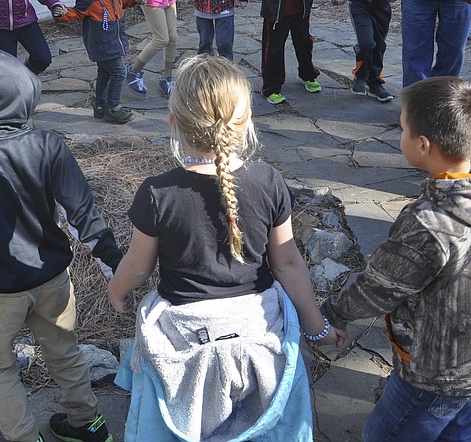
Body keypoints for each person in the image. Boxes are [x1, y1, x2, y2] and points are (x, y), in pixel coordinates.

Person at [109, 55, 343, 441]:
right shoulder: (268, 180)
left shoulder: (156, 194)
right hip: (257, 332)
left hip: (184, 337)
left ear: (174, 123)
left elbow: (137, 268)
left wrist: (117, 292)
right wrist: (316, 328)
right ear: (246, 122)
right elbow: (287, 262)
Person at [0, 49, 123, 442]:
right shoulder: (49, 145)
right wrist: (114, 266)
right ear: (27, 94)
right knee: (65, 350)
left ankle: (22, 436)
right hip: (53, 279)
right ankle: (88, 425)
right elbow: (81, 213)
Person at [322, 76, 471, 442]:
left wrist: (333, 314)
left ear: (423, 145)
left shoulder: (427, 223)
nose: (401, 134)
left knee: (385, 435)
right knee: (455, 430)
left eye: (403, 128)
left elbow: (379, 287)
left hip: (435, 370)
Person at [57, 0, 139, 125]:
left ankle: (100, 106)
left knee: (104, 74)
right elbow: (76, 13)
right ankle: (113, 107)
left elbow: (118, 3)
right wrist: (61, 13)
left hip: (113, 41)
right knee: (119, 73)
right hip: (103, 44)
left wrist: (132, 0)